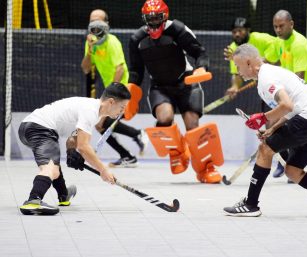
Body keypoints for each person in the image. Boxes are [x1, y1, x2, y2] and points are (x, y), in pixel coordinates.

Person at [223, 44, 307, 218]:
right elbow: (292, 108)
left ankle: (250, 204)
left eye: (238, 67)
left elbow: (286, 105)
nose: (238, 72)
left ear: (249, 63)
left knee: (265, 149)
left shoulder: (266, 78)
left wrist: (263, 118)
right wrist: (272, 128)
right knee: (292, 170)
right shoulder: (270, 72)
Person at [129, 0, 224, 183]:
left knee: (192, 125)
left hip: (185, 81)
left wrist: (201, 68)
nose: (154, 22)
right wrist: (130, 92)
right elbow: (136, 71)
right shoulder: (137, 40)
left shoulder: (178, 29)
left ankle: (205, 169)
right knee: (164, 118)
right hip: (160, 86)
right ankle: (178, 151)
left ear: (165, 17)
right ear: (144, 19)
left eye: (158, 18)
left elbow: (200, 53)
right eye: (150, 18)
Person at [18, 82, 130, 215]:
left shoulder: (93, 111)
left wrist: (71, 151)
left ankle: (63, 195)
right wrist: (103, 170)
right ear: (111, 102)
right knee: (51, 168)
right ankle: (34, 200)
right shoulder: (91, 111)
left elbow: (73, 138)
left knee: (54, 165)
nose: (122, 112)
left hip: (33, 128)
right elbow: (83, 147)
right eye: (122, 107)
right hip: (39, 127)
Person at [81, 9, 147, 168]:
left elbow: (119, 69)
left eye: (99, 20)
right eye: (92, 21)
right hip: (111, 91)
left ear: (106, 24)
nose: (94, 24)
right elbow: (86, 68)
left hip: (122, 88)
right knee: (100, 124)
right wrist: (89, 51)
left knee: (101, 122)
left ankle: (135, 138)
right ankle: (129, 152)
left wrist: (110, 95)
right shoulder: (91, 43)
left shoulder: (112, 41)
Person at [223, 17, 286, 179]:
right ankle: (285, 160)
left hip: (280, 77)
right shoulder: (233, 48)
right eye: (234, 31)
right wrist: (235, 86)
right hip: (265, 85)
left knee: (276, 120)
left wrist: (260, 64)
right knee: (273, 122)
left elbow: (280, 47)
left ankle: (283, 161)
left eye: (241, 30)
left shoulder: (260, 38)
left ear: (248, 31)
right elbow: (237, 73)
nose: (237, 34)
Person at [271, 10, 307, 180]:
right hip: (292, 90)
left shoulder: (300, 44)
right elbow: (273, 61)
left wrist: (286, 104)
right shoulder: (279, 42)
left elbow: (299, 78)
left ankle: (292, 161)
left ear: (291, 24)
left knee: (291, 125)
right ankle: (287, 161)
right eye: (275, 27)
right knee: (277, 123)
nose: (278, 30)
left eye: (281, 26)